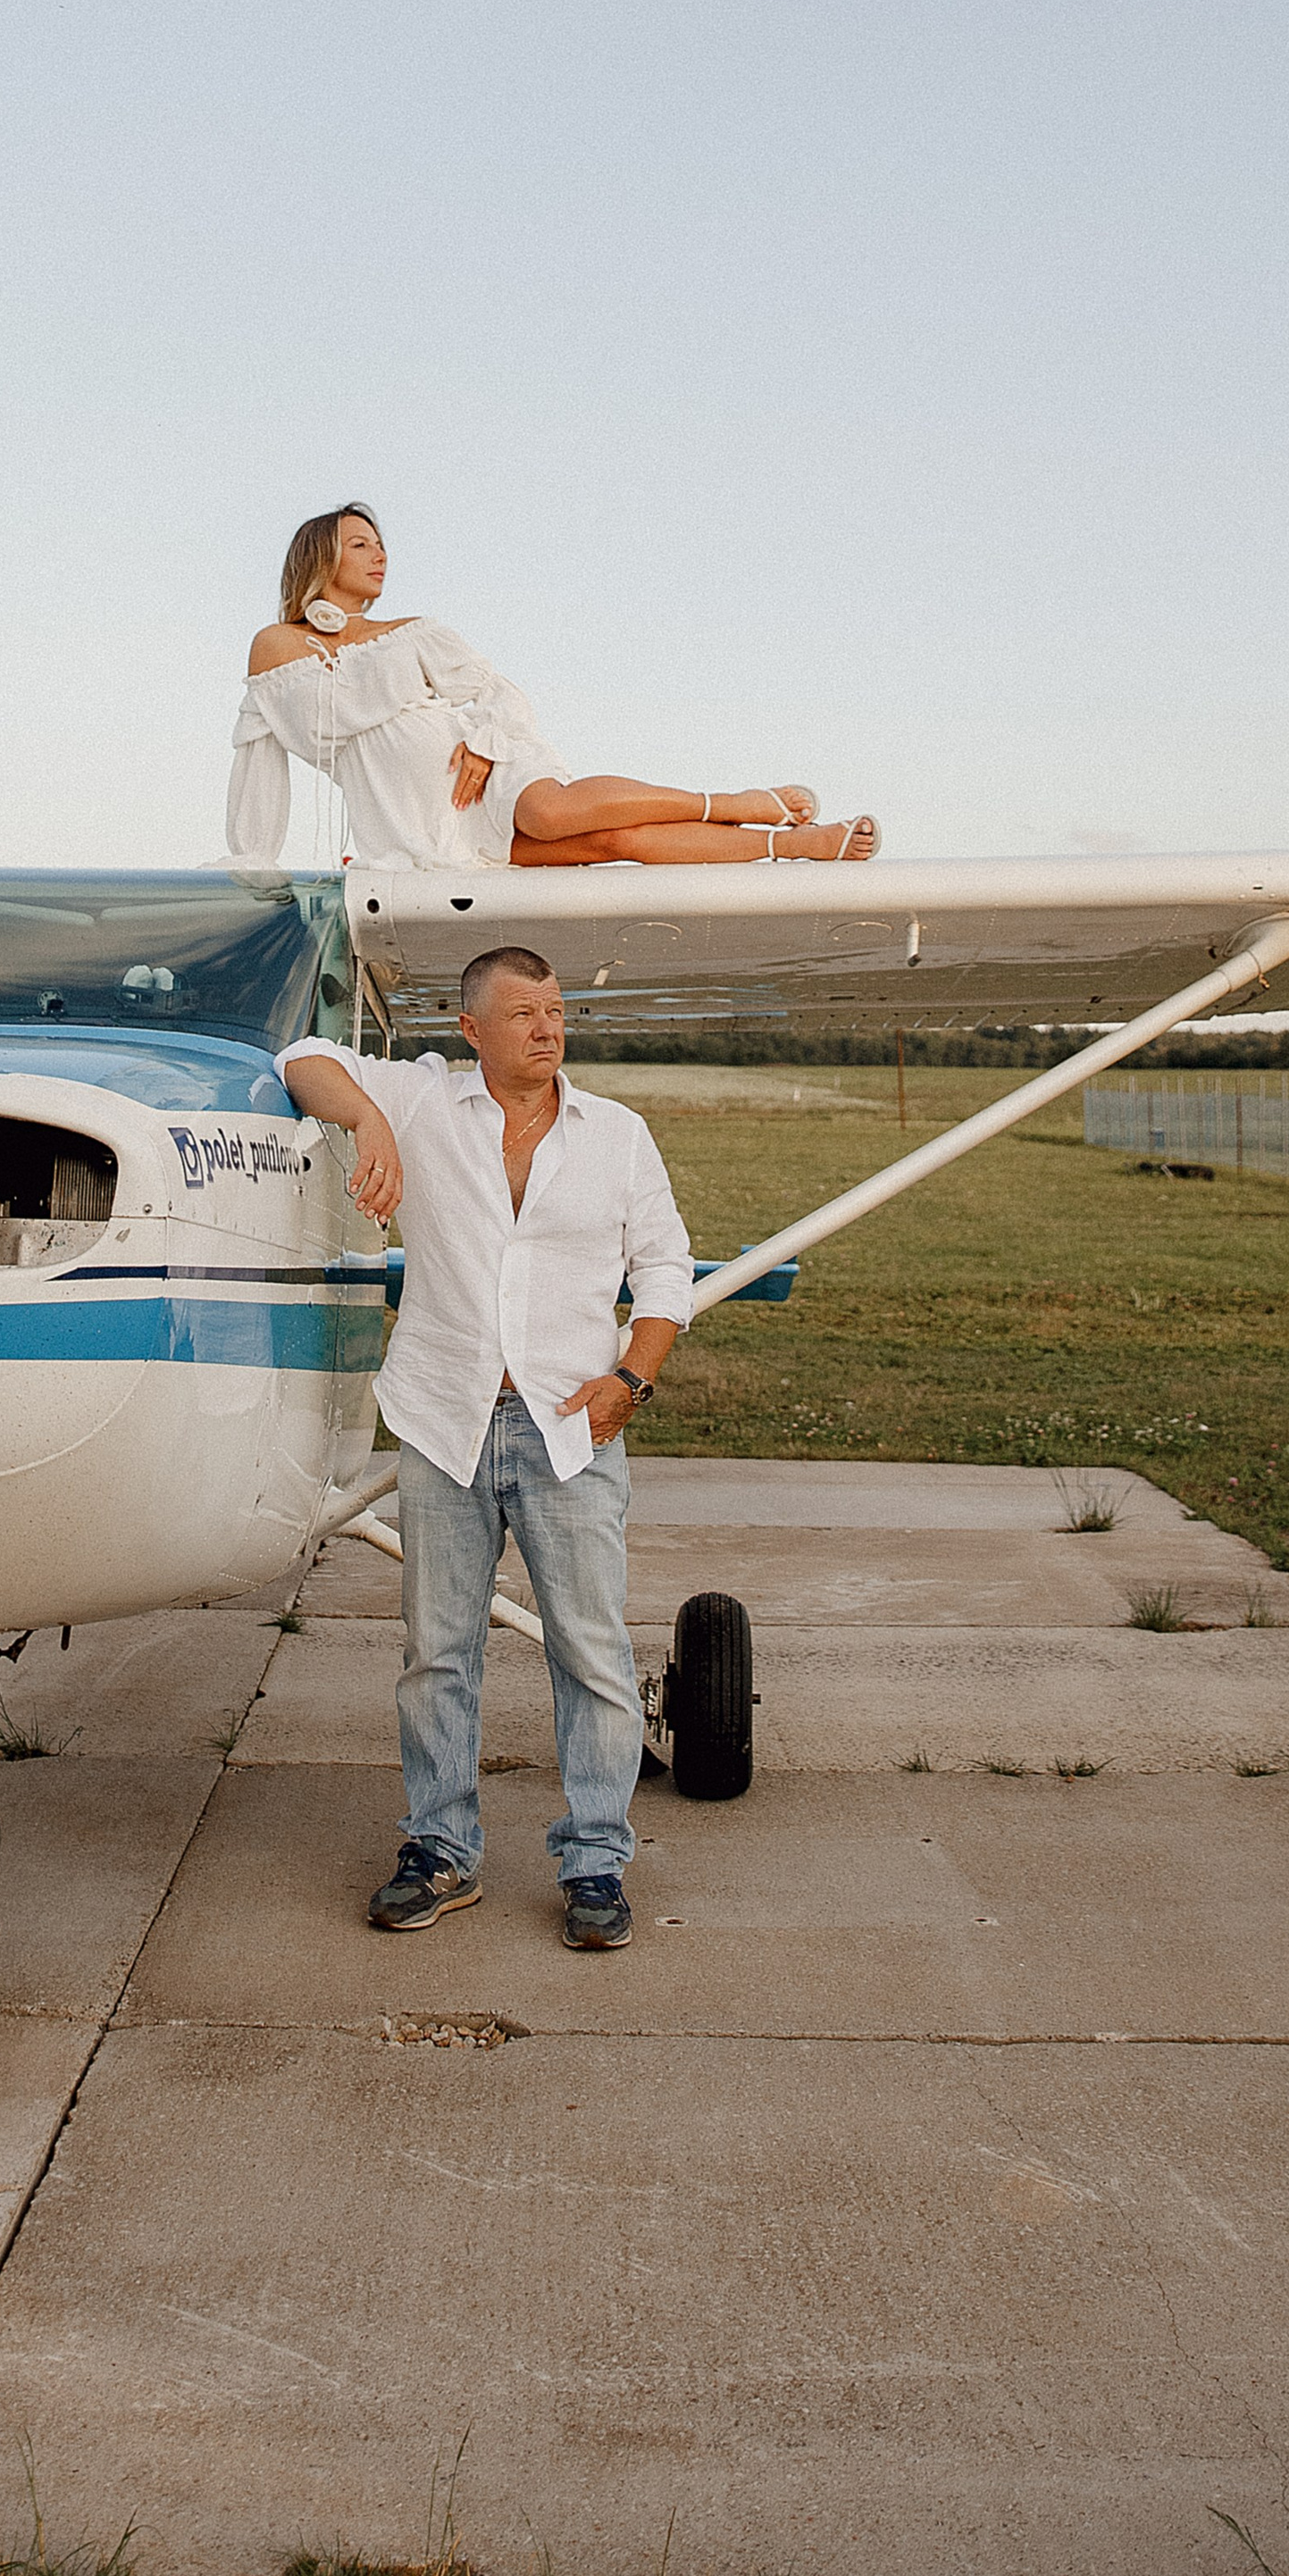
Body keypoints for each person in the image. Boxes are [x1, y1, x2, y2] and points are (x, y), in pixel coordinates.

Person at [279, 943, 691, 1952]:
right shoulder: (424, 1103)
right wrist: (371, 1118)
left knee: (591, 1652)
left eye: (555, 1012)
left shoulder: (618, 1135)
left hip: (570, 1428)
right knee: (436, 1655)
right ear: (470, 1030)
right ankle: (439, 1850)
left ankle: (595, 1859)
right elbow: (298, 1059)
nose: (547, 1030)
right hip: (444, 1421)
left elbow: (666, 1266)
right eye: (522, 1014)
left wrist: (631, 1378)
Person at [230, 501, 878, 871]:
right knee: (607, 844)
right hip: (425, 828)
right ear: (321, 557)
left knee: (550, 813)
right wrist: (253, 861)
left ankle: (736, 801)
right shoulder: (281, 643)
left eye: (381, 545)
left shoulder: (414, 631)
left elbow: (498, 693)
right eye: (361, 545)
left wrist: (485, 741)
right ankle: (791, 845)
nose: (381, 557)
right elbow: (290, 742)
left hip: (495, 773)